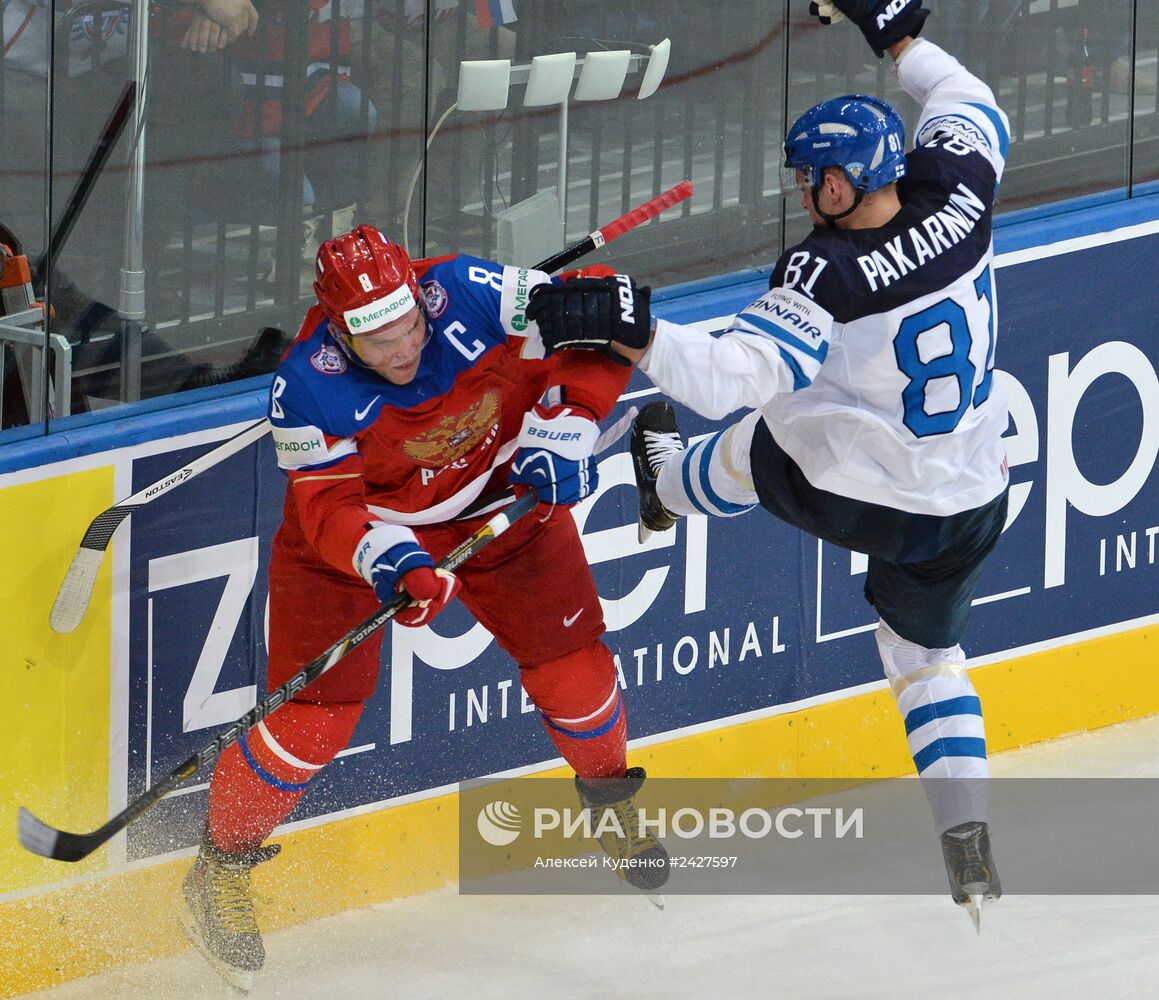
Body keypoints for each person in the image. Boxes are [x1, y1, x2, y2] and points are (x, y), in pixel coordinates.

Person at [526, 0, 1009, 925]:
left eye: (806, 178)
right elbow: (964, 94)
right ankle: (965, 836)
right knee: (925, 657)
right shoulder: (960, 184)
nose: (799, 191)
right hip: (971, 492)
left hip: (858, 491)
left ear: (839, 183)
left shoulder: (826, 271)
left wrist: (634, 329)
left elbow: (726, 378)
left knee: (763, 436)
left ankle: (666, 488)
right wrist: (900, 38)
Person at [179, 225, 669, 990]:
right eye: (378, 340)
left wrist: (571, 421)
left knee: (574, 674)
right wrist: (394, 563)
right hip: (364, 542)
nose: (403, 347)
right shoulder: (306, 384)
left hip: (499, 499)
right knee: (311, 723)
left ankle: (607, 797)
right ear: (340, 332)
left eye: (409, 324)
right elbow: (328, 510)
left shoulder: (469, 288)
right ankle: (219, 870)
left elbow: (611, 307)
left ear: (418, 293)